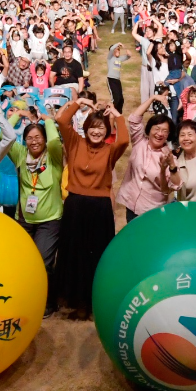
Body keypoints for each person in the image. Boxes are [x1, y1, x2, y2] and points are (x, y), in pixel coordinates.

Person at [55, 98, 128, 317]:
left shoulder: (109, 151)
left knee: (95, 256)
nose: (96, 132)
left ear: (107, 131)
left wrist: (116, 114)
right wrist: (80, 101)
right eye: (93, 127)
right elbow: (61, 119)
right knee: (73, 255)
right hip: (75, 205)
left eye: (101, 128)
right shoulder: (74, 142)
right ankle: (74, 301)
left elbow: (124, 139)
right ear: (86, 128)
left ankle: (94, 301)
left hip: (99, 208)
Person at [8, 118, 64, 318]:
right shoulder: (21, 155)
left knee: (42, 262)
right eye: (29, 138)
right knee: (22, 263)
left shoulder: (54, 157)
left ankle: (47, 302)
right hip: (24, 220)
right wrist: (18, 114)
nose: (34, 141)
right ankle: (26, 299)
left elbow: (56, 142)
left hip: (49, 221)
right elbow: (4, 136)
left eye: (38, 137)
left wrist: (48, 120)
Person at [116, 94, 175, 221]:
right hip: (131, 206)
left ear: (168, 135)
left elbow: (170, 187)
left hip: (152, 211)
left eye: (165, 131)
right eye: (157, 128)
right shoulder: (139, 142)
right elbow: (134, 118)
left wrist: (169, 167)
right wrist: (152, 98)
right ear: (149, 129)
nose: (160, 134)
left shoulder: (168, 156)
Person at [106, 43, 130, 114]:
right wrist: (118, 44)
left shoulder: (119, 59)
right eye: (116, 50)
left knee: (121, 99)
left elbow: (128, 56)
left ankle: (118, 114)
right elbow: (111, 49)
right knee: (115, 99)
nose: (118, 51)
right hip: (111, 79)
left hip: (117, 80)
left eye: (119, 50)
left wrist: (126, 49)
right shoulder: (110, 58)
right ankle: (111, 113)